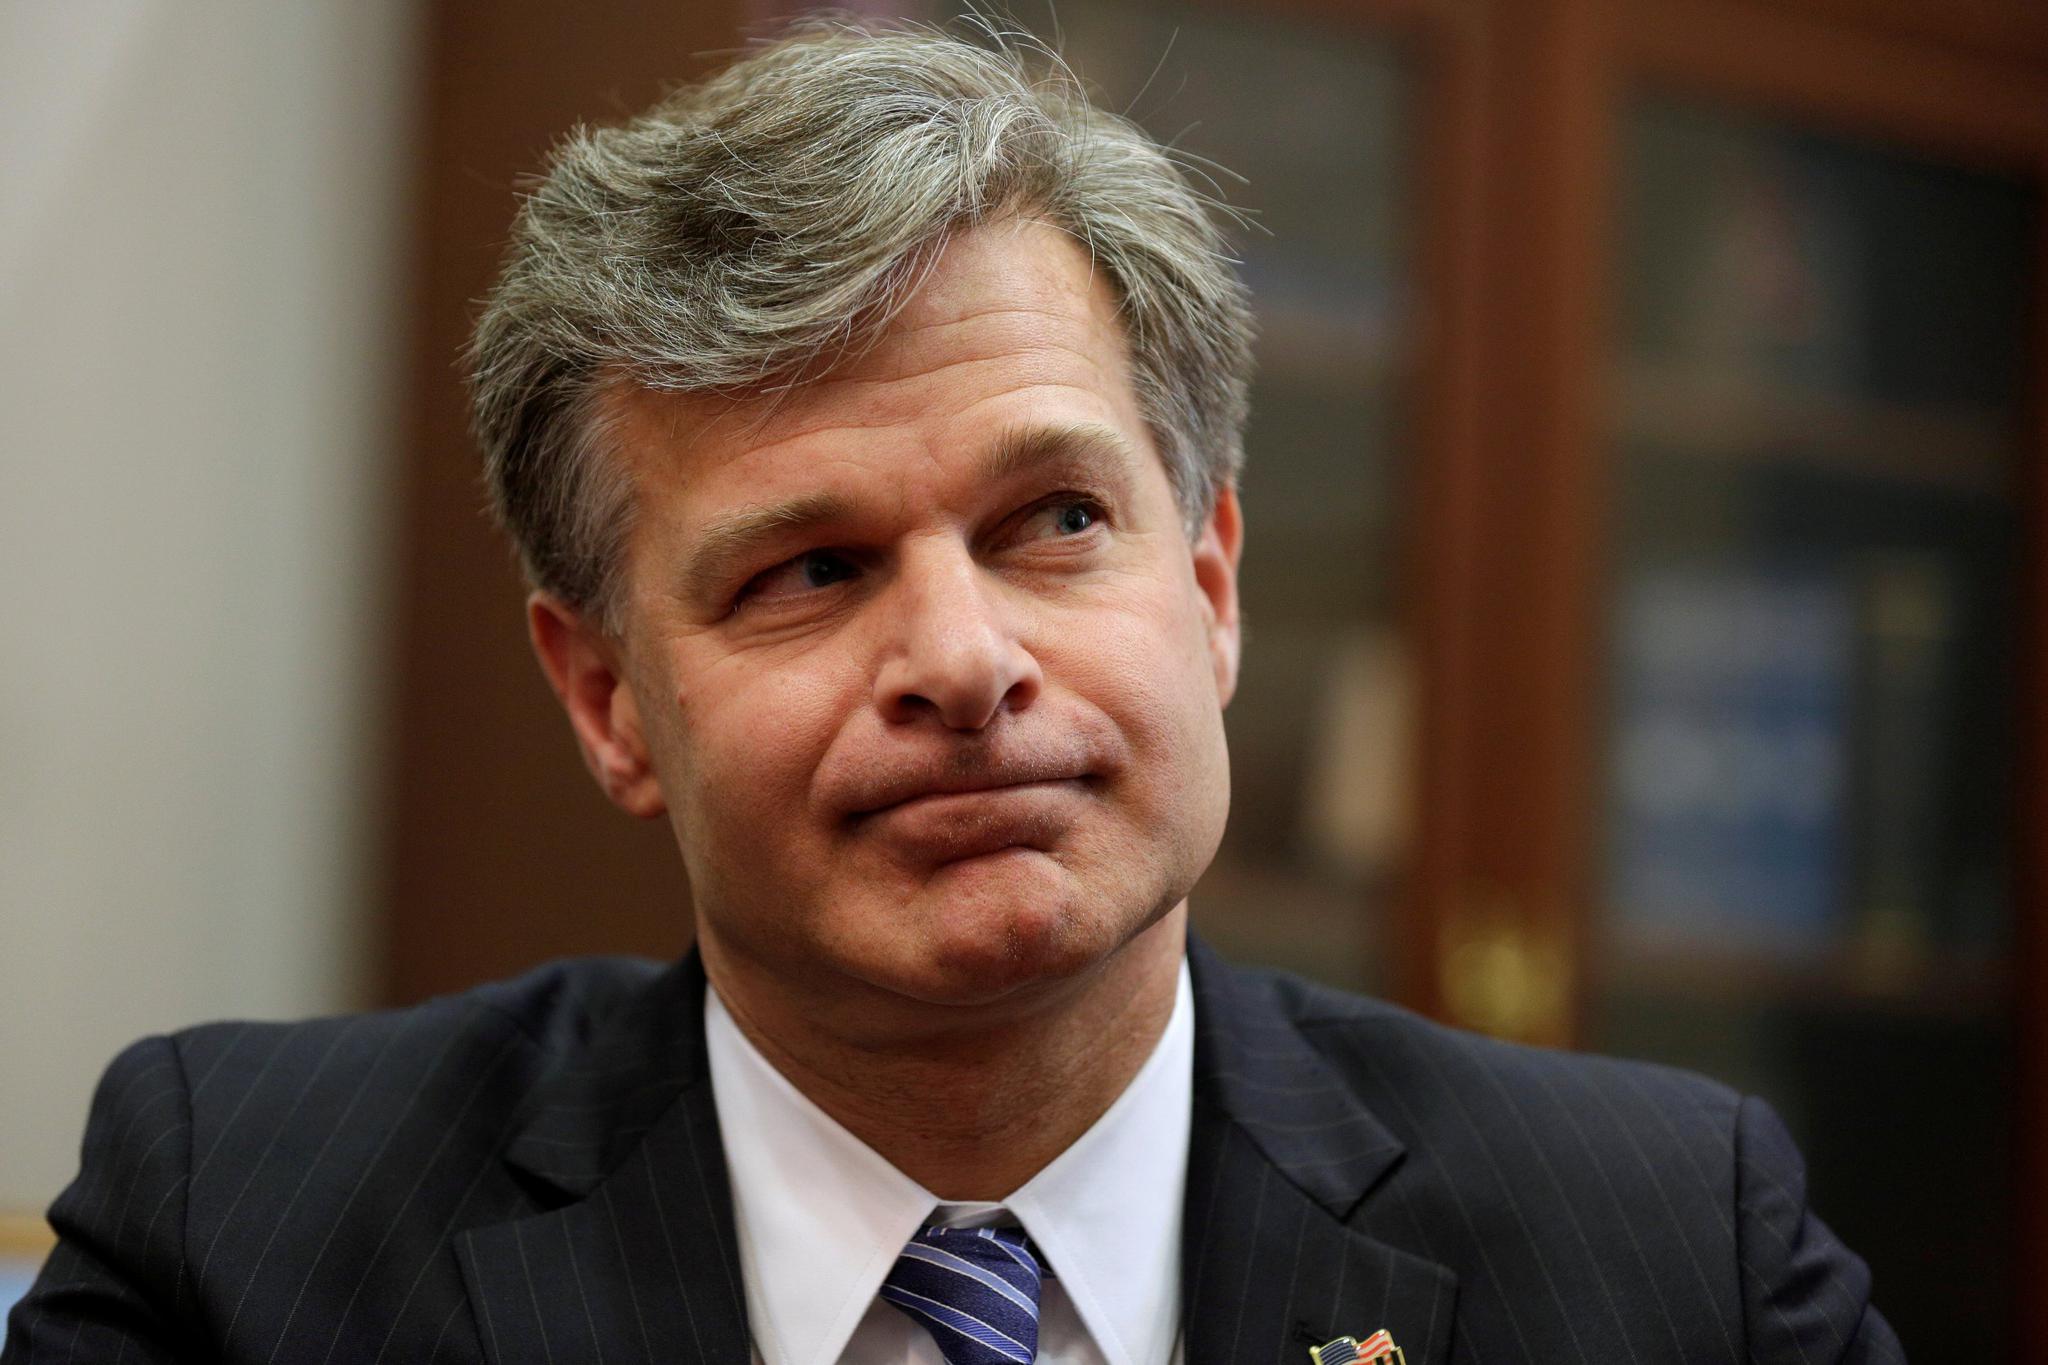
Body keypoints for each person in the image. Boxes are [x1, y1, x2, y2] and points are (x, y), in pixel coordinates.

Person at [4, 19, 1902, 1365]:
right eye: (809, 569)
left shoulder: (1668, 1252)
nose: (966, 662)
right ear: (603, 699)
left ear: (1213, 589)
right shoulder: (242, 1228)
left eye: (1056, 518)